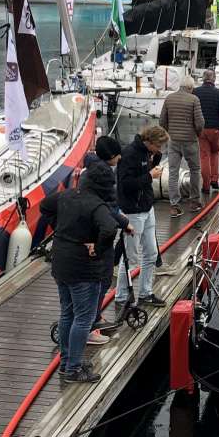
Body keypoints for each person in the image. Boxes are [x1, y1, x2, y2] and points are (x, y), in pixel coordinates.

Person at [41, 162, 120, 383]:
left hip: (61, 261)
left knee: (67, 314)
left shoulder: (65, 196)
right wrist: (98, 246)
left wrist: (59, 227)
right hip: (83, 268)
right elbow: (109, 228)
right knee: (83, 318)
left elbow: (45, 207)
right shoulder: (97, 205)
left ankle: (67, 362)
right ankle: (73, 368)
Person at [81, 136, 133, 337]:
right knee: (101, 279)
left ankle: (94, 316)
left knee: (98, 280)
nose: (120, 158)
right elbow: (106, 208)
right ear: (111, 156)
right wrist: (124, 222)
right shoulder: (103, 176)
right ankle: (91, 322)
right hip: (98, 234)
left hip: (89, 232)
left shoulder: (90, 172)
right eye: (118, 154)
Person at [116, 125, 168, 307]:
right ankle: (121, 296)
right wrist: (149, 175)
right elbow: (126, 185)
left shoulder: (147, 152)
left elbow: (144, 172)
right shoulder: (130, 154)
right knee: (130, 257)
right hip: (133, 211)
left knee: (151, 253)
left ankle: (146, 293)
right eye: (159, 147)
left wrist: (154, 162)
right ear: (150, 142)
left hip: (147, 207)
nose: (159, 150)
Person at [159, 77, 204, 217]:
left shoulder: (169, 98)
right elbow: (200, 122)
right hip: (190, 141)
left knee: (173, 172)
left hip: (173, 141)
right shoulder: (194, 100)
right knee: (195, 170)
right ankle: (194, 201)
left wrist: (170, 132)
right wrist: (197, 134)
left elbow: (162, 121)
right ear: (190, 88)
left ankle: (174, 205)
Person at [193, 69, 219, 194]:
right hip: (215, 129)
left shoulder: (195, 92)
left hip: (201, 129)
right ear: (214, 79)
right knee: (215, 153)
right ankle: (215, 179)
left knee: (204, 156)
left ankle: (206, 186)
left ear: (203, 79)